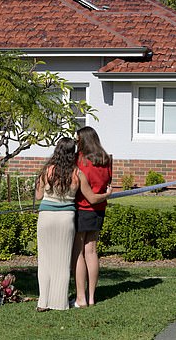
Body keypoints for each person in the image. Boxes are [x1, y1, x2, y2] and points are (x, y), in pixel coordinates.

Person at [35, 137, 111, 312]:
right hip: (66, 219)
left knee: (45, 260)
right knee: (63, 262)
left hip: (45, 217)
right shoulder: (77, 174)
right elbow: (92, 198)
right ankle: (59, 302)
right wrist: (107, 195)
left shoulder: (46, 171)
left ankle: (43, 302)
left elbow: (39, 196)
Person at [72, 126, 112, 307]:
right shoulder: (105, 159)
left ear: (83, 140)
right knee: (92, 252)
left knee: (79, 252)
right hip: (99, 209)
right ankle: (92, 297)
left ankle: (81, 297)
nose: (76, 142)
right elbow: (108, 182)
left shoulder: (80, 160)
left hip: (82, 208)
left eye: (77, 139)